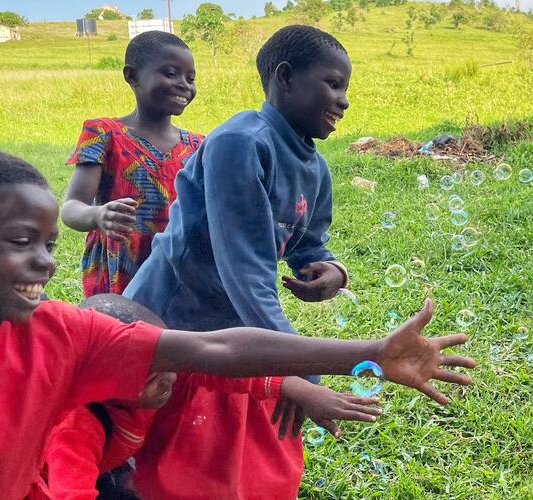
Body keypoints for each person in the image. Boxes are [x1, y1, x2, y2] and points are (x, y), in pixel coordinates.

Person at [0, 145, 474, 498]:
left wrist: (367, 352)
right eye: (21, 241)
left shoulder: (61, 334)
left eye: (49, 243)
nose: (44, 261)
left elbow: (207, 349)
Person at [123, 25, 361, 499]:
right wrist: (299, 373)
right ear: (286, 78)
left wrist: (331, 272)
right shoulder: (241, 141)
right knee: (173, 468)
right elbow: (246, 272)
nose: (344, 100)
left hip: (236, 334)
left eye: (346, 88)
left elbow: (310, 243)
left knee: (239, 461)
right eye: (332, 84)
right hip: (176, 328)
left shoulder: (315, 167)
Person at [60, 30, 203, 297]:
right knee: (121, 335)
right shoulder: (103, 133)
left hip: (178, 274)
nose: (184, 84)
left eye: (190, 78)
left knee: (175, 336)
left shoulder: (200, 146)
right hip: (119, 274)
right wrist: (98, 215)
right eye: (171, 73)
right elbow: (71, 208)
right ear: (132, 76)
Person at [43, 293, 176, 500]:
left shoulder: (153, 388)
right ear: (100, 383)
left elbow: (208, 371)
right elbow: (70, 493)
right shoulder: (77, 429)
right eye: (151, 376)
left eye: (171, 363)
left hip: (103, 468)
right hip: (47, 483)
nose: (170, 378)